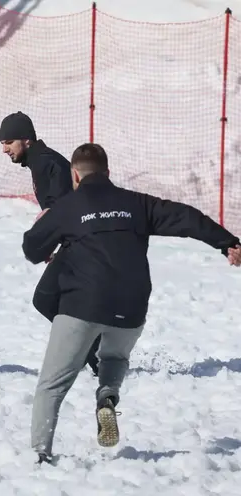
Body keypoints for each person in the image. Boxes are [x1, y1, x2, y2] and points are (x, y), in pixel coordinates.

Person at [21, 143, 241, 464]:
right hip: (133, 307)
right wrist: (227, 242)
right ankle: (108, 393)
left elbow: (31, 247)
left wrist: (47, 226)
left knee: (52, 385)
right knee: (113, 354)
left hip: (83, 304)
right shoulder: (135, 203)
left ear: (74, 175)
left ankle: (40, 454)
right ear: (107, 173)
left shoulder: (68, 207)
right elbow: (186, 217)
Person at [0, 111, 100, 376]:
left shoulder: (46, 162)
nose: (4, 149)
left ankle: (99, 353)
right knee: (59, 300)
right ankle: (97, 353)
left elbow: (64, 204)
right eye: (2, 143)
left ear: (26, 140)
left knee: (45, 299)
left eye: (9, 141)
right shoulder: (40, 161)